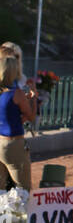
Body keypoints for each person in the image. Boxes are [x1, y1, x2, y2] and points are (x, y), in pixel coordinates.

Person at [0, 54, 36, 188]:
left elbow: (8, 117)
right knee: (22, 189)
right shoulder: (17, 93)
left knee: (1, 189)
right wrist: (33, 96)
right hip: (13, 144)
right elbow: (31, 116)